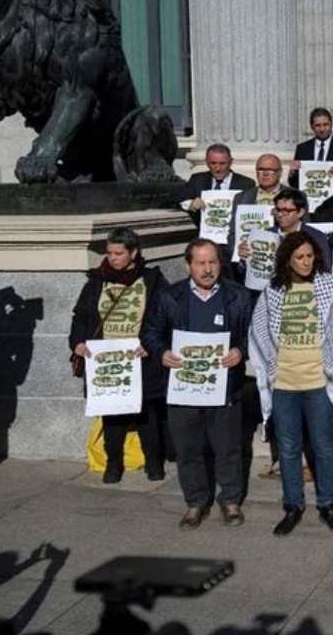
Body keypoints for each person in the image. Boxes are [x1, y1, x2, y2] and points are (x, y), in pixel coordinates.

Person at [141, 239, 253, 530]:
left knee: (228, 447)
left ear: (221, 263)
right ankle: (195, 502)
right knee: (188, 448)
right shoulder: (169, 296)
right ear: (188, 265)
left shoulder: (238, 296)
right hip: (183, 388)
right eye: (200, 263)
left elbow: (252, 334)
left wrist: (241, 352)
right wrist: (162, 352)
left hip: (224, 386)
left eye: (212, 262)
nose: (207, 269)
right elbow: (150, 333)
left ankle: (230, 500)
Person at [249, 232, 333, 536]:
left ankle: (328, 505)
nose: (305, 262)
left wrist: (332, 367)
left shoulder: (331, 288)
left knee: (324, 446)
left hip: (318, 382)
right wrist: (270, 367)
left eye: (309, 256)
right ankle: (293, 505)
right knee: (290, 449)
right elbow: (259, 332)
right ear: (287, 260)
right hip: (284, 383)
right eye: (299, 257)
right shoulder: (272, 291)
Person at [70, 228, 169, 482]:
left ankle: (154, 463)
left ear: (133, 253)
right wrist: (78, 343)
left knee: (147, 414)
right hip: (106, 360)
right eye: (109, 252)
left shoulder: (152, 280)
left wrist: (153, 345)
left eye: (119, 253)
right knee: (112, 416)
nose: (112, 258)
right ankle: (113, 464)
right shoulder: (96, 281)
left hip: (141, 359)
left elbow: (167, 316)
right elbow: (81, 317)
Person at [237, 190, 332, 274]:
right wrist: (244, 259)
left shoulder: (317, 237)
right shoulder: (263, 236)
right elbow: (244, 271)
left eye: (287, 210)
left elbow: (325, 270)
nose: (280, 214)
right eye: (278, 210)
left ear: (300, 212)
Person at [178, 143, 254, 219]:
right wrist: (191, 203)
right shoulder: (197, 180)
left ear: (230, 162)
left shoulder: (246, 184)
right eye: (213, 163)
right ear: (207, 162)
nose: (218, 168)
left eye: (222, 163)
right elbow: (181, 199)